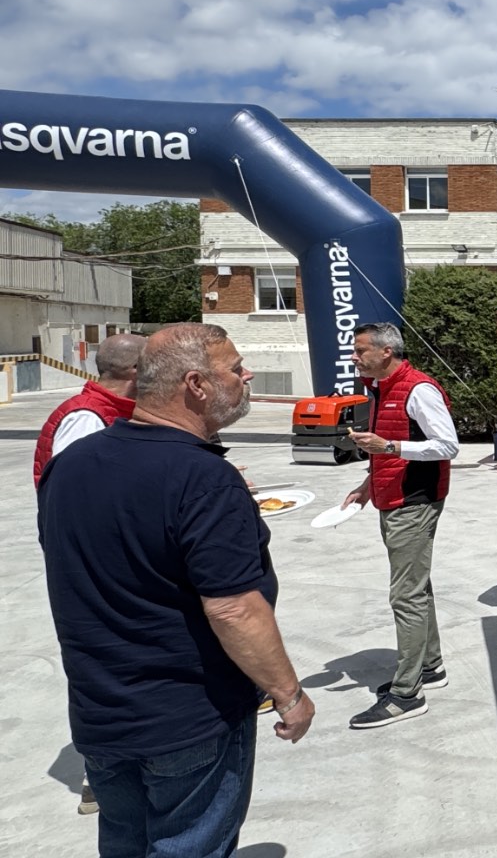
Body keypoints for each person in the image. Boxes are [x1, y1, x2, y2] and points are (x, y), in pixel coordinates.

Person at [38, 324, 314, 855]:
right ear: (197, 384)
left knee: (125, 845)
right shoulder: (203, 479)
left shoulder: (69, 465)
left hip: (102, 716)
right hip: (189, 720)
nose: (248, 375)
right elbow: (234, 609)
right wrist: (289, 694)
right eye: (235, 367)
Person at [31, 332, 146, 817]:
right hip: (92, 564)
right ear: (137, 372)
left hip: (107, 559)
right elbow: (85, 500)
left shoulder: (111, 411)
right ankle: (101, 777)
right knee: (103, 661)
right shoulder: (86, 419)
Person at [342, 323, 460, 729]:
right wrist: (367, 485)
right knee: (417, 588)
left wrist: (389, 446)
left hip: (414, 502)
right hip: (394, 498)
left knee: (406, 596)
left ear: (386, 352)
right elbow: (387, 448)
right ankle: (431, 667)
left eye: (360, 350)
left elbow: (448, 445)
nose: (354, 357)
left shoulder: (418, 389)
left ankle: (407, 694)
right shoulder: (381, 387)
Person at [32, 332, 145, 488]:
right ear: (136, 369)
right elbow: (70, 487)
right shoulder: (85, 418)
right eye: (153, 364)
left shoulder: (116, 410)